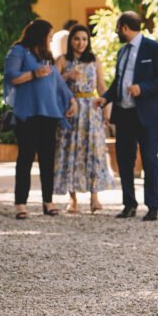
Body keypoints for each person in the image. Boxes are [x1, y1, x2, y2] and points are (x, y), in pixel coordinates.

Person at [4, 19, 76, 220]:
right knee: (25, 158)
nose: (51, 40)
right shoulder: (18, 51)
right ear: (40, 35)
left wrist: (71, 99)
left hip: (49, 113)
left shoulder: (46, 56)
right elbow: (12, 76)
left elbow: (57, 81)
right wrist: (34, 74)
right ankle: (20, 202)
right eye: (50, 36)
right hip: (27, 113)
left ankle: (48, 200)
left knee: (47, 159)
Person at [101, 12, 158, 221]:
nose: (116, 33)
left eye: (117, 29)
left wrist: (142, 88)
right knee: (124, 160)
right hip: (124, 113)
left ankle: (153, 206)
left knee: (149, 159)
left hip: (147, 114)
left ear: (124, 27)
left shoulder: (154, 48)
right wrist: (105, 98)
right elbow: (118, 81)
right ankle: (129, 204)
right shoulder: (122, 52)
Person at [53, 24, 113, 214]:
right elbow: (51, 83)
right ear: (70, 40)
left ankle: (94, 197)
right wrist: (67, 75)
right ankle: (73, 199)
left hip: (91, 110)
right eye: (77, 39)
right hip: (71, 109)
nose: (81, 43)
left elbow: (101, 86)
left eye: (84, 39)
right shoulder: (62, 60)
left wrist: (106, 107)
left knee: (93, 151)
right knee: (70, 151)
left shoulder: (94, 60)